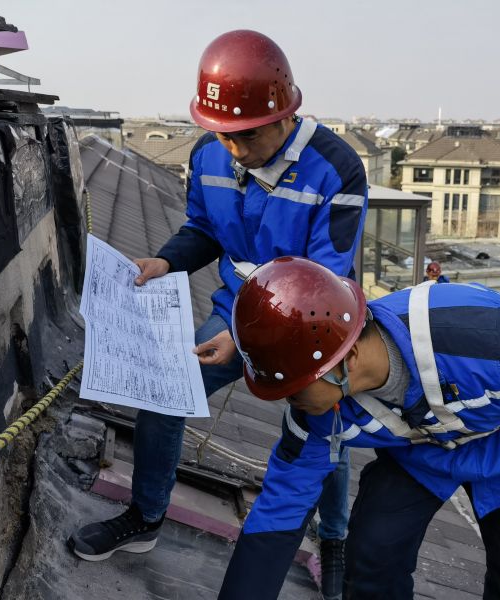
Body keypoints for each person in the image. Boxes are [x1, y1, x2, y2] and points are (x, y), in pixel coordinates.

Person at [68, 31, 367, 600]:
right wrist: (166, 260)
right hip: (238, 309)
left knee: (322, 425)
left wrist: (243, 338)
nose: (234, 150)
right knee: (164, 388)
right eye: (222, 134)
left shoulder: (335, 169)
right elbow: (204, 232)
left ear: (284, 116)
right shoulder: (208, 155)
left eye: (247, 135)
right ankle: (145, 516)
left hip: (317, 321)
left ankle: (335, 540)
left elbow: (325, 282)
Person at [218, 257, 500, 600]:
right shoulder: (315, 411)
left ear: (346, 359)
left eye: (294, 388)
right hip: (421, 456)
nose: (289, 400)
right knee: (371, 552)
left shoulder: (484, 332)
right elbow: (278, 510)